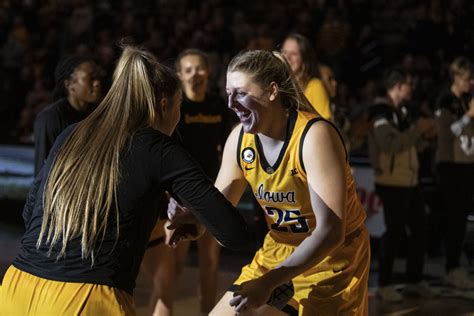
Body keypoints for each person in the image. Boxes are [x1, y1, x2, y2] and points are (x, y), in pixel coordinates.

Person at [0, 46, 251, 315]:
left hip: (17, 288)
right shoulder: (159, 148)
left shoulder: (72, 133)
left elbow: (30, 210)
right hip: (87, 300)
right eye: (179, 107)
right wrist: (200, 218)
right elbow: (235, 233)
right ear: (164, 106)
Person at [199, 50, 370, 315]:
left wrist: (268, 282)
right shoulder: (239, 139)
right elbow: (218, 207)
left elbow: (331, 232)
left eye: (241, 93)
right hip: (278, 250)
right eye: (228, 92)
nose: (231, 103)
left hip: (331, 257)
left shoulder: (314, 137)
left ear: (272, 91)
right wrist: (192, 215)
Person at [142, 48, 231, 316]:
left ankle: (207, 313)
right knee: (173, 266)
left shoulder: (217, 105)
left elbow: (226, 148)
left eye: (199, 68)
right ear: (180, 75)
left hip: (210, 192)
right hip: (180, 197)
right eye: (188, 70)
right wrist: (169, 195)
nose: (195, 74)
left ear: (208, 71)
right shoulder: (177, 107)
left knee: (210, 263)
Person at [368, 68, 436, 302]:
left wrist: (424, 137)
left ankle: (413, 280)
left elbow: (407, 144)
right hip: (390, 181)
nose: (412, 88)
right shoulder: (379, 113)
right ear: (397, 86)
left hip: (409, 179)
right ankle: (384, 283)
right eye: (408, 84)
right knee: (394, 232)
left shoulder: (402, 112)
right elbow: (390, 145)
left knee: (420, 228)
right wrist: (417, 131)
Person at [435, 57, 474, 289]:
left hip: (467, 162)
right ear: (457, 77)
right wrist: (468, 116)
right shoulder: (445, 100)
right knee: (454, 217)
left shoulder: (465, 99)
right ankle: (451, 268)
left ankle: (456, 266)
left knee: (461, 218)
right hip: (450, 164)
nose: (472, 82)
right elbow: (446, 132)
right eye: (469, 79)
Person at [33, 55, 101, 176]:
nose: (97, 83)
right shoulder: (50, 118)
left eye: (97, 77)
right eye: (90, 78)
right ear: (70, 85)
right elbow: (42, 170)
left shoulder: (99, 115)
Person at [281, 33, 332, 120]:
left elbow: (326, 123)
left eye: (293, 54)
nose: (287, 57)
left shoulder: (315, 86)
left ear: (304, 58)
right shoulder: (278, 84)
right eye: (285, 52)